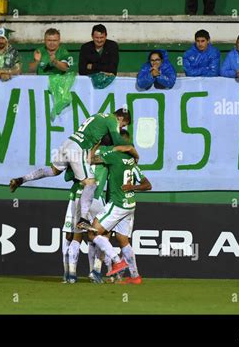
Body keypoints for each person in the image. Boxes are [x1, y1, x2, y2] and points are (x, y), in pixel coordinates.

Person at [9, 109, 136, 232]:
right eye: (123, 125)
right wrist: (133, 152)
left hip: (69, 142)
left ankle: (21, 179)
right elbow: (118, 141)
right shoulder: (112, 120)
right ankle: (83, 220)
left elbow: (96, 137)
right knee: (91, 184)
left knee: (53, 171)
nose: (120, 128)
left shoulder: (99, 116)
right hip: (78, 148)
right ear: (120, 118)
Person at [87, 135, 152, 284]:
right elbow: (148, 185)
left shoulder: (113, 156)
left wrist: (96, 145)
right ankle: (135, 276)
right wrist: (133, 187)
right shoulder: (132, 162)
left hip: (117, 204)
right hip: (130, 205)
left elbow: (90, 160)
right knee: (123, 241)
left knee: (92, 232)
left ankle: (117, 261)